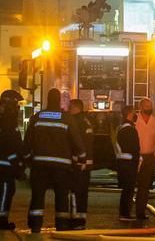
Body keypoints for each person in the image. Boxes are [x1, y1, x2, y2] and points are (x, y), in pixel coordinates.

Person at [23, 88, 86, 233]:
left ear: (47, 99)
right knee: (61, 196)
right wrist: (81, 157)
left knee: (37, 196)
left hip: (39, 165)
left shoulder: (37, 117)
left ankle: (35, 224)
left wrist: (27, 159)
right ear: (59, 100)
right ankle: (61, 225)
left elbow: (28, 141)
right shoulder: (67, 118)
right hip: (62, 166)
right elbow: (76, 140)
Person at [0, 90, 25, 231]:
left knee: (6, 191)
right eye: (16, 103)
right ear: (10, 103)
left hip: (2, 162)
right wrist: (17, 163)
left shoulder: (2, 117)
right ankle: (1, 221)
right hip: (6, 164)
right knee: (6, 191)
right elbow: (10, 144)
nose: (18, 107)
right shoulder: (7, 120)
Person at [67, 98, 95, 230]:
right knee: (83, 193)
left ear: (75, 107)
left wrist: (78, 160)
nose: (68, 109)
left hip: (78, 163)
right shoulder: (86, 121)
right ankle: (81, 219)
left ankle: (75, 220)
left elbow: (76, 143)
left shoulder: (75, 122)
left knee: (75, 192)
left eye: (70, 107)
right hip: (85, 163)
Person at [134, 98, 155, 220]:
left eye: (150, 105)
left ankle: (140, 211)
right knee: (132, 184)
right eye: (147, 106)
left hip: (150, 157)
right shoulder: (135, 119)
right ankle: (127, 211)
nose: (149, 108)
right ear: (141, 107)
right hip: (136, 156)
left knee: (145, 186)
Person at [114, 105, 140, 222]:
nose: (136, 115)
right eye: (134, 112)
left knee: (127, 189)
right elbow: (133, 148)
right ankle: (125, 214)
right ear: (130, 114)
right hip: (128, 163)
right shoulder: (128, 129)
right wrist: (137, 160)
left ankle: (124, 213)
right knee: (128, 190)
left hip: (124, 162)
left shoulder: (122, 127)